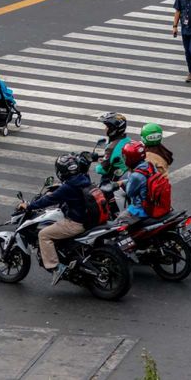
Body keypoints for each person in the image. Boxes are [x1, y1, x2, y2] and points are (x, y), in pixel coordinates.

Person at [19, 154, 90, 286]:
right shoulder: (84, 178)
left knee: (43, 234)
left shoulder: (68, 187)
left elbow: (48, 200)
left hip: (76, 222)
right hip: (87, 218)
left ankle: (56, 268)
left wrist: (29, 206)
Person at [95, 112, 130, 211]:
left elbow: (102, 170)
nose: (105, 129)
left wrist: (98, 165)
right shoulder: (127, 140)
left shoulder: (112, 147)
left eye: (107, 126)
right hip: (126, 176)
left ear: (113, 129)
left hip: (115, 182)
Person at [113, 141, 152, 222]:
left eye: (125, 157)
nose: (124, 159)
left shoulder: (135, 175)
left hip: (140, 209)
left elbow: (129, 192)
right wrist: (123, 182)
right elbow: (143, 180)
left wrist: (130, 172)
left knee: (117, 223)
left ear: (131, 158)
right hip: (152, 204)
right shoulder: (149, 165)